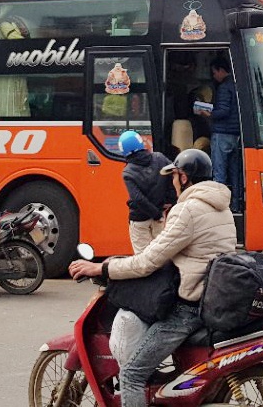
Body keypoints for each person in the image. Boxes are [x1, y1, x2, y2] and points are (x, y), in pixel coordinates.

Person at [69, 149, 235, 407]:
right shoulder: (221, 207)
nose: (171, 182)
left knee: (132, 374)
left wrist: (100, 268)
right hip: (214, 296)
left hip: (188, 308)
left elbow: (147, 262)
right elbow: (177, 249)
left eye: (174, 176)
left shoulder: (187, 210)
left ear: (183, 177)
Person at [118, 130, 177, 253]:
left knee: (142, 259)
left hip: (140, 219)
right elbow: (174, 177)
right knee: (160, 254)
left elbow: (138, 198)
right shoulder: (159, 158)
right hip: (159, 217)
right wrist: (170, 201)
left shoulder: (128, 172)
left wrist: (155, 214)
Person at [199, 57, 242, 212]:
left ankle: (220, 209)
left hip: (222, 134)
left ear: (221, 70)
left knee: (219, 174)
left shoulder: (224, 87)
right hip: (236, 135)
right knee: (235, 174)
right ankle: (236, 206)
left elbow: (223, 111)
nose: (214, 76)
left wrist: (207, 113)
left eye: (214, 72)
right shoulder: (237, 85)